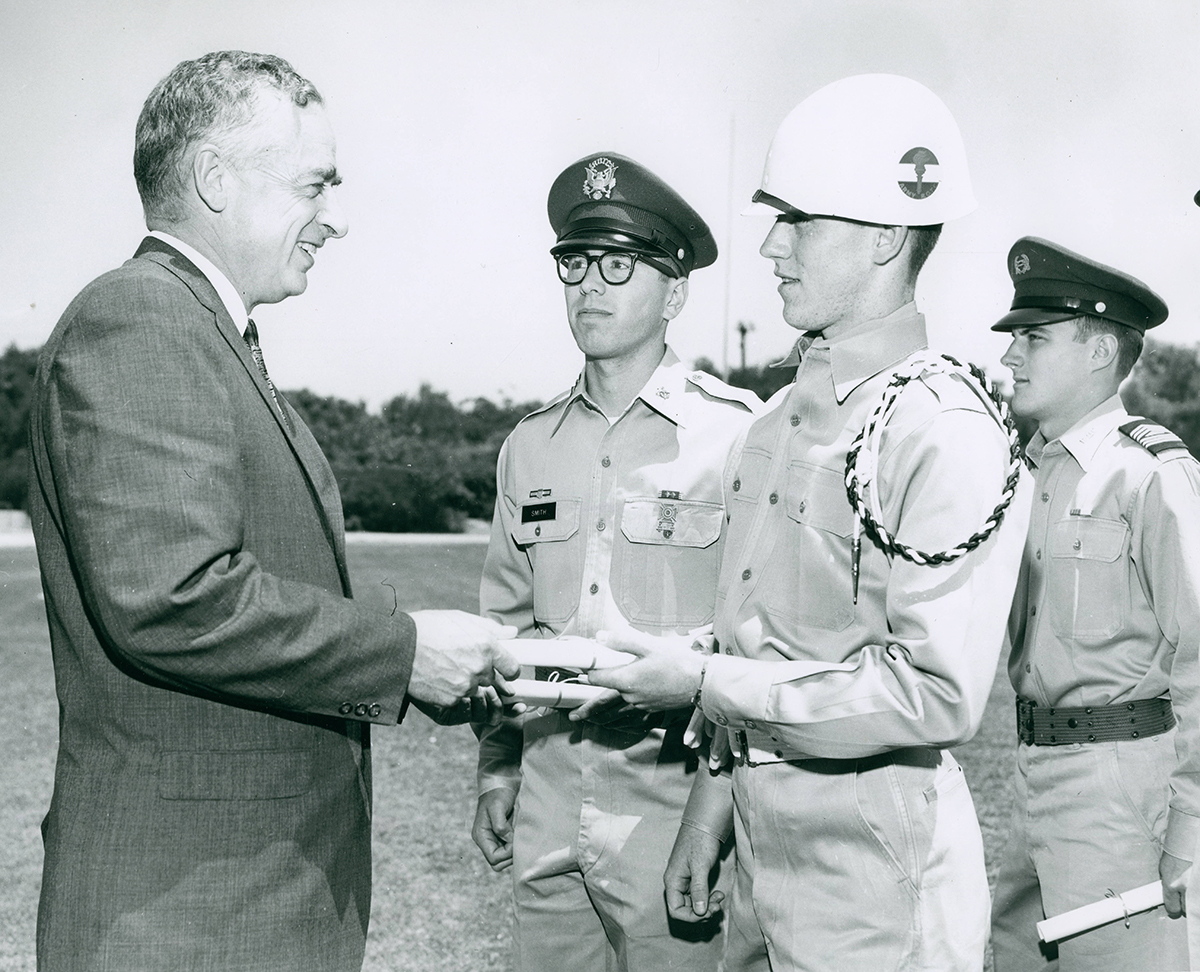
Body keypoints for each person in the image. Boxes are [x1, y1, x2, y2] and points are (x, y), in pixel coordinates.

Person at [28, 51, 517, 971]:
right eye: (312, 184)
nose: (333, 217)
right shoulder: (139, 321)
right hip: (190, 914)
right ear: (215, 178)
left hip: (236, 902)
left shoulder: (200, 333)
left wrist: (428, 672)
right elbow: (173, 600)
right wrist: (407, 653)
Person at [587, 74, 1033, 971]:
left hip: (876, 873)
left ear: (885, 237)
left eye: (799, 220)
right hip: (759, 851)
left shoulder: (942, 426)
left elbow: (932, 694)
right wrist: (707, 819)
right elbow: (757, 648)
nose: (772, 246)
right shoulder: (776, 419)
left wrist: (702, 681)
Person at [472, 152, 760, 971]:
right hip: (550, 790)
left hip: (674, 799)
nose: (589, 285)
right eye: (574, 264)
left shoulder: (737, 435)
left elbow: (757, 644)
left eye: (618, 265)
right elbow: (507, 625)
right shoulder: (530, 444)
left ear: (674, 292)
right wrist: (498, 771)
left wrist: (714, 817)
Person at [987, 237, 1199, 971]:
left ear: (1099, 350)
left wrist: (1192, 828)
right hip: (1028, 771)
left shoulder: (1149, 476)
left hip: (1120, 788)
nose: (1011, 356)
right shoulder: (1024, 476)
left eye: (1032, 338)